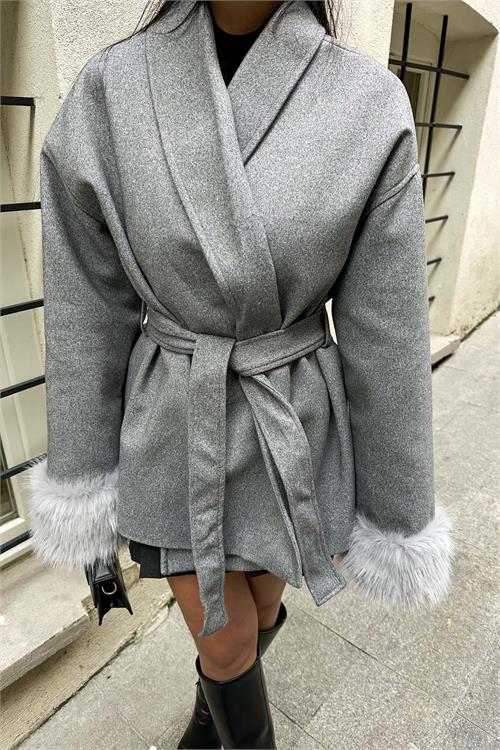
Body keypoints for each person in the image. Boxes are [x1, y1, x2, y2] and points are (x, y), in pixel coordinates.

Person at [26, 1, 456, 748]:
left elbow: (385, 326)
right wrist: (83, 470)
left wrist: (398, 504)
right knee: (224, 641)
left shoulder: (367, 101)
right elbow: (85, 301)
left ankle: (212, 713)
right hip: (175, 416)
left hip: (290, 418)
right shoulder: (110, 90)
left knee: (254, 615)